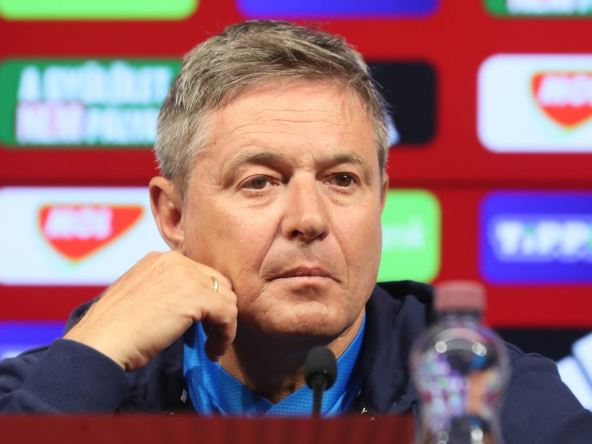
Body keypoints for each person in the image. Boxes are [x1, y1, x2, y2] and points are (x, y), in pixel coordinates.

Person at [1, 20, 591, 441]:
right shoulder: (50, 394)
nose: (309, 219)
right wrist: (87, 365)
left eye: (342, 180)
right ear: (173, 216)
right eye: (259, 182)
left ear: (380, 201)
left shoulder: (490, 397)